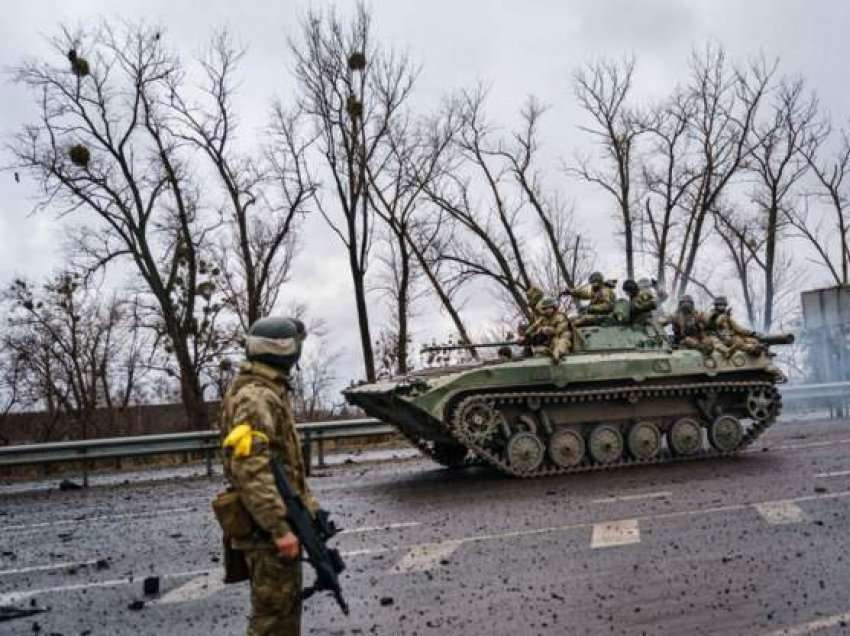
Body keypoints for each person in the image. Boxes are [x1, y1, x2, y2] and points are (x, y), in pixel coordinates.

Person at [218, 316, 318, 636]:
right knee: (272, 617)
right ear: (285, 351)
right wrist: (278, 528)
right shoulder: (257, 397)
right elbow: (251, 468)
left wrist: (308, 513)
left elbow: (282, 466)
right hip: (267, 528)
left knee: (283, 612)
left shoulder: (265, 390)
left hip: (275, 520)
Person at [525, 296, 572, 363]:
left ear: (554, 307)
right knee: (539, 351)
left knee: (560, 342)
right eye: (545, 308)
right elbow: (531, 329)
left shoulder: (560, 317)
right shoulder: (543, 318)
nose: (547, 310)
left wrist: (547, 329)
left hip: (561, 338)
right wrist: (528, 333)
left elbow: (558, 330)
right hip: (548, 342)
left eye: (549, 308)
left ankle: (557, 355)